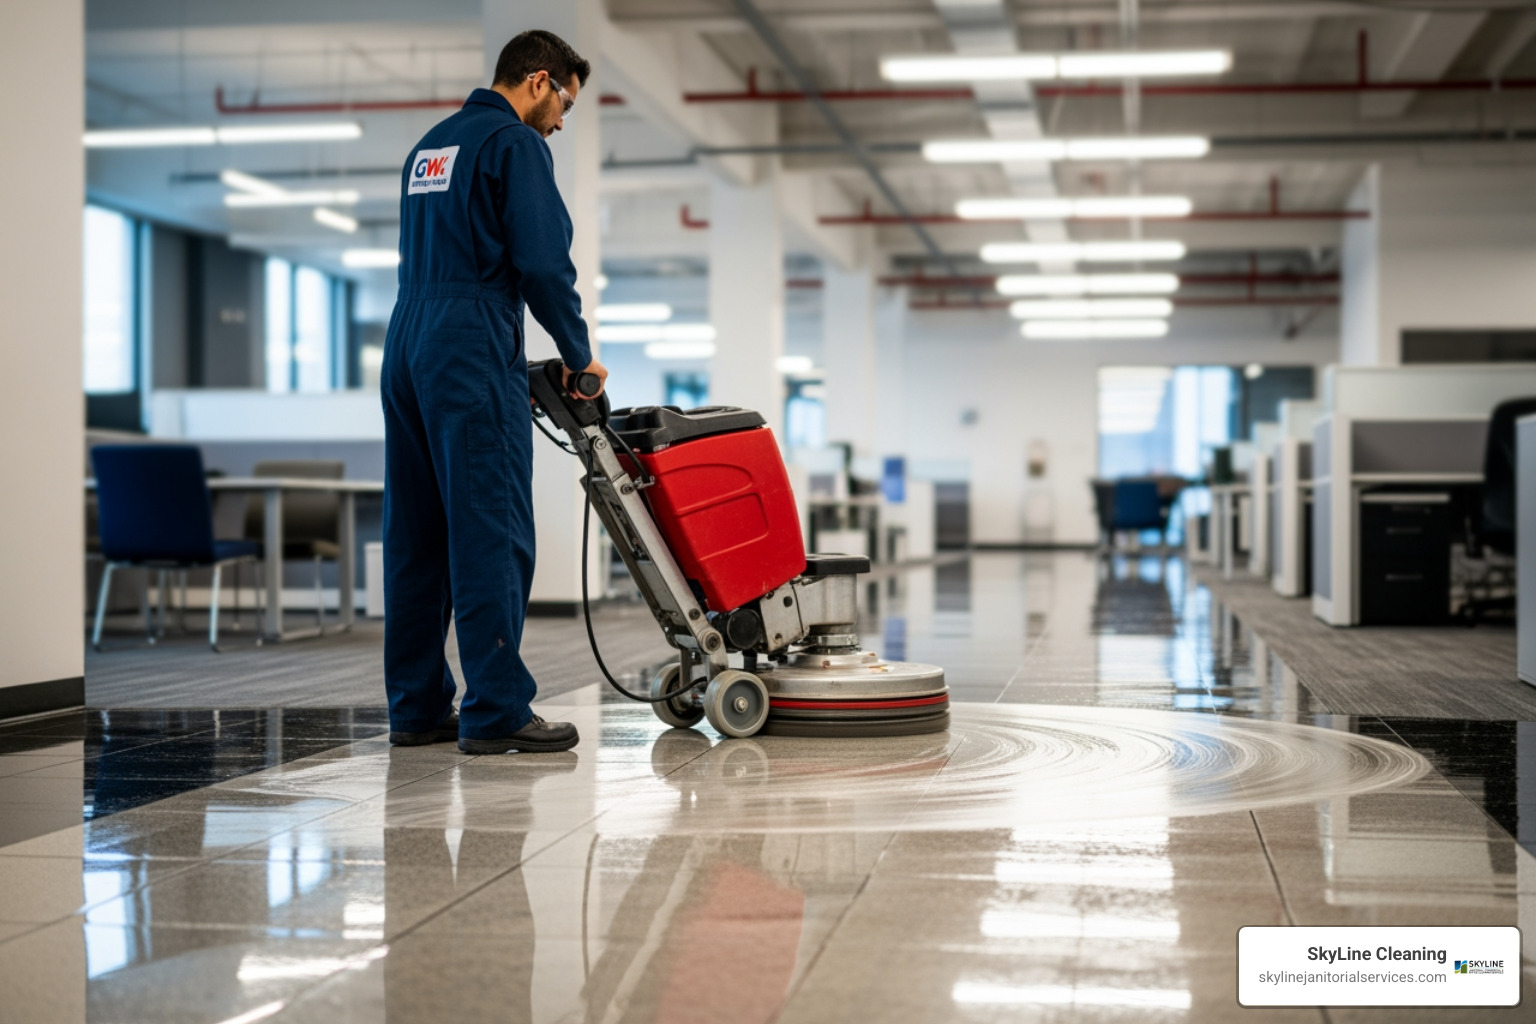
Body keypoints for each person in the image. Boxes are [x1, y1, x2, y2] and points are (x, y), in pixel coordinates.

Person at [381, 29, 606, 754]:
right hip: (469, 342)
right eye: (564, 102)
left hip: (407, 336)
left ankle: (415, 707)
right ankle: (498, 709)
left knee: (416, 532)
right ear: (538, 81)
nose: (562, 121)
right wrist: (578, 355)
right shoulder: (513, 143)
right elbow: (542, 263)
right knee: (490, 527)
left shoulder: (431, 146)